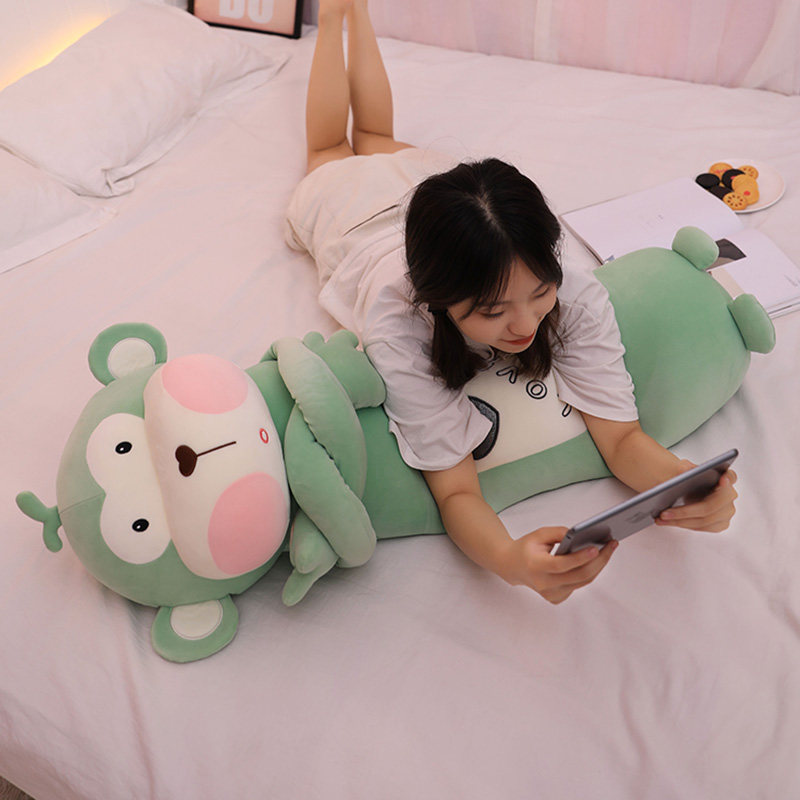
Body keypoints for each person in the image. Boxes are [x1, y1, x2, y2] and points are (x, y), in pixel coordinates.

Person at [285, 0, 738, 604]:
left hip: (435, 193)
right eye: (492, 312)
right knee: (329, 150)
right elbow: (456, 492)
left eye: (539, 293)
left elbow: (622, 438)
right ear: (437, 302)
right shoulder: (398, 324)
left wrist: (686, 482)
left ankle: (356, 12)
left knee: (376, 138)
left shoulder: (570, 286)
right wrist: (507, 559)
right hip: (351, 215)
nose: (525, 324)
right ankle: (333, 19)